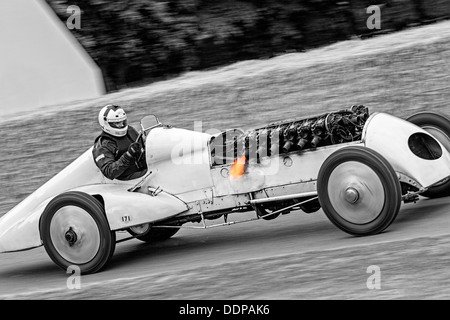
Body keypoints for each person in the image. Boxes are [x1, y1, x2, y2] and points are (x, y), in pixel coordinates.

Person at [92, 104, 147, 180]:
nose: (121, 125)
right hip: (127, 179)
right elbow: (109, 172)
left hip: (146, 170)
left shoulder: (130, 130)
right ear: (106, 123)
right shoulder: (103, 145)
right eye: (117, 123)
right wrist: (128, 155)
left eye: (123, 121)